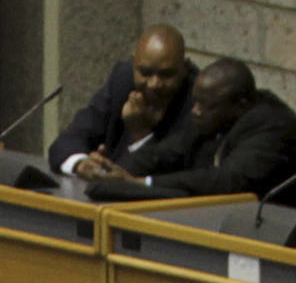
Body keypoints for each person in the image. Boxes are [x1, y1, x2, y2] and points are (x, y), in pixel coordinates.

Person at [114, 58, 296, 213]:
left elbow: (228, 181)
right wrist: (113, 172)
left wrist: (142, 183)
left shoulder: (273, 125)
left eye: (205, 105)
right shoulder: (210, 115)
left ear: (240, 104)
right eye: (195, 101)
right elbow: (167, 152)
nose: (195, 111)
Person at [48, 24, 192, 177]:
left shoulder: (198, 100)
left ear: (184, 68)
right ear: (133, 64)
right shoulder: (122, 82)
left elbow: (169, 177)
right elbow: (68, 140)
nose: (154, 84)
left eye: (166, 75)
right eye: (145, 73)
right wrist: (81, 164)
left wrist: (141, 134)